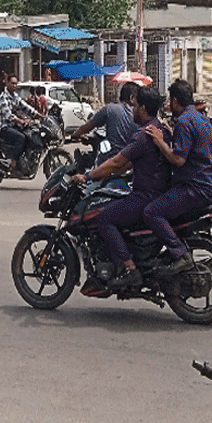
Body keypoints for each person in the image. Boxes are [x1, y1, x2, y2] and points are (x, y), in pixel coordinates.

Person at [72, 85, 171, 294]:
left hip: (145, 195)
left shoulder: (143, 135)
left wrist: (87, 176)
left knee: (104, 217)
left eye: (135, 106)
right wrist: (108, 173)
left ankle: (130, 269)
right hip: (155, 191)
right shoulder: (159, 128)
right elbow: (127, 164)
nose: (132, 110)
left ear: (142, 108)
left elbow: (118, 161)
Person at [143, 79, 212, 277]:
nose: (170, 106)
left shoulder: (184, 122)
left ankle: (180, 254)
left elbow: (178, 159)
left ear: (176, 101)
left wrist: (160, 142)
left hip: (194, 188)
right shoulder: (201, 119)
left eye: (171, 101)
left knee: (151, 212)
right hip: (209, 184)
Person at [71, 81, 141, 162]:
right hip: (131, 161)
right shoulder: (141, 114)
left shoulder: (110, 109)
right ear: (132, 98)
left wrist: (75, 135)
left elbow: (88, 126)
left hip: (111, 160)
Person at [0, 75, 38, 174]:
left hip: (13, 126)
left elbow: (25, 107)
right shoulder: (3, 97)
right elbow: (8, 115)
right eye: (12, 83)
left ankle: (23, 160)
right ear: (7, 83)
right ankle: (13, 163)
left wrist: (38, 115)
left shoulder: (15, 96)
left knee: (29, 135)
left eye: (16, 83)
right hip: (4, 127)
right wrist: (21, 121)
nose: (14, 86)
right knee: (21, 138)